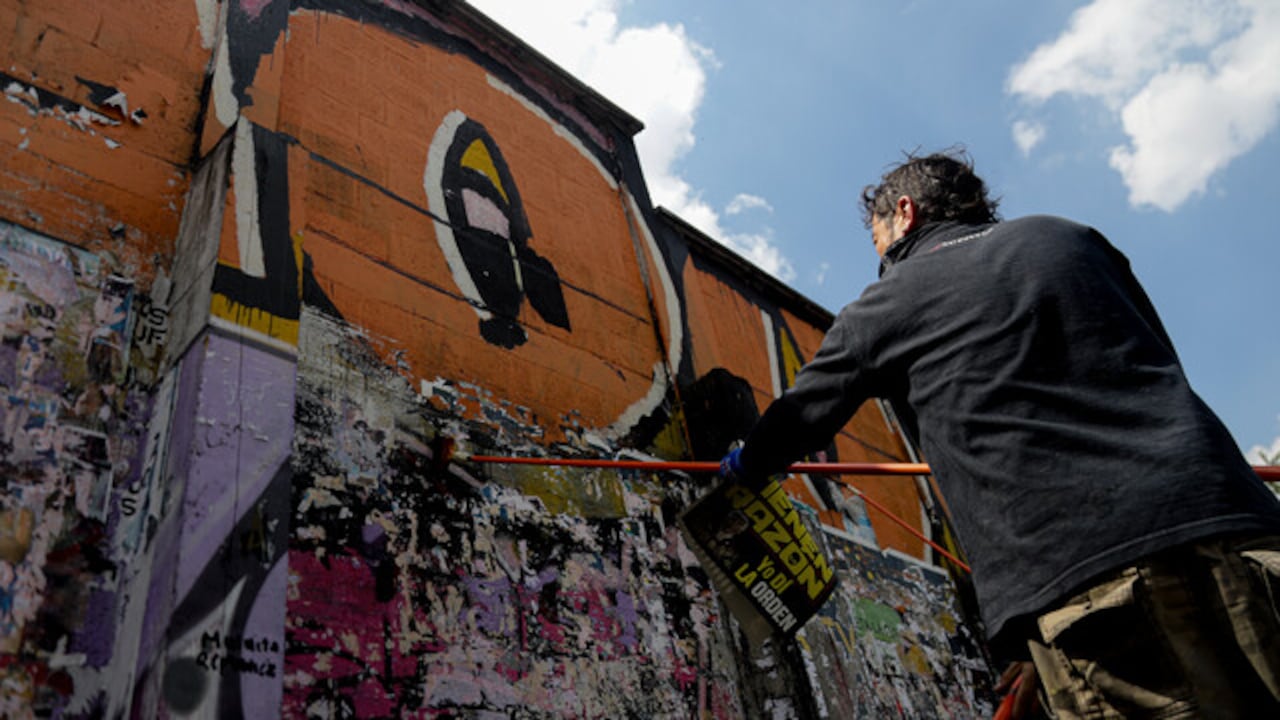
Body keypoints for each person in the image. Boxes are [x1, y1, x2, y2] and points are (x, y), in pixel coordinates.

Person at [720, 149, 1280, 719]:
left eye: (877, 240)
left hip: (1093, 586)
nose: (881, 258)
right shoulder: (1072, 239)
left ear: (905, 213)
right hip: (1244, 529)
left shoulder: (887, 302)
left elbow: (802, 415)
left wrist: (748, 464)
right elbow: (1161, 360)